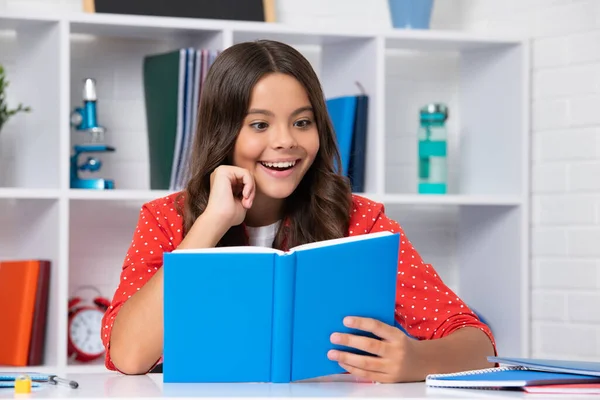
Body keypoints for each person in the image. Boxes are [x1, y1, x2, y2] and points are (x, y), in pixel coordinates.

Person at [101, 39, 496, 383]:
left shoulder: (362, 222)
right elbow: (129, 355)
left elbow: (477, 342)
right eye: (259, 125)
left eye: (302, 122)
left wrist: (416, 360)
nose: (286, 141)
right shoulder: (167, 218)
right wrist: (211, 223)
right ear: (224, 132)